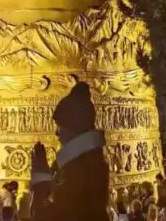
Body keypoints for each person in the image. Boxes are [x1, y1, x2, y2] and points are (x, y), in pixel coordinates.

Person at [28, 82, 109, 221]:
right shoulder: (91, 162)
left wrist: (41, 181)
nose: (56, 133)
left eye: (60, 126)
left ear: (73, 128)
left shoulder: (79, 170)